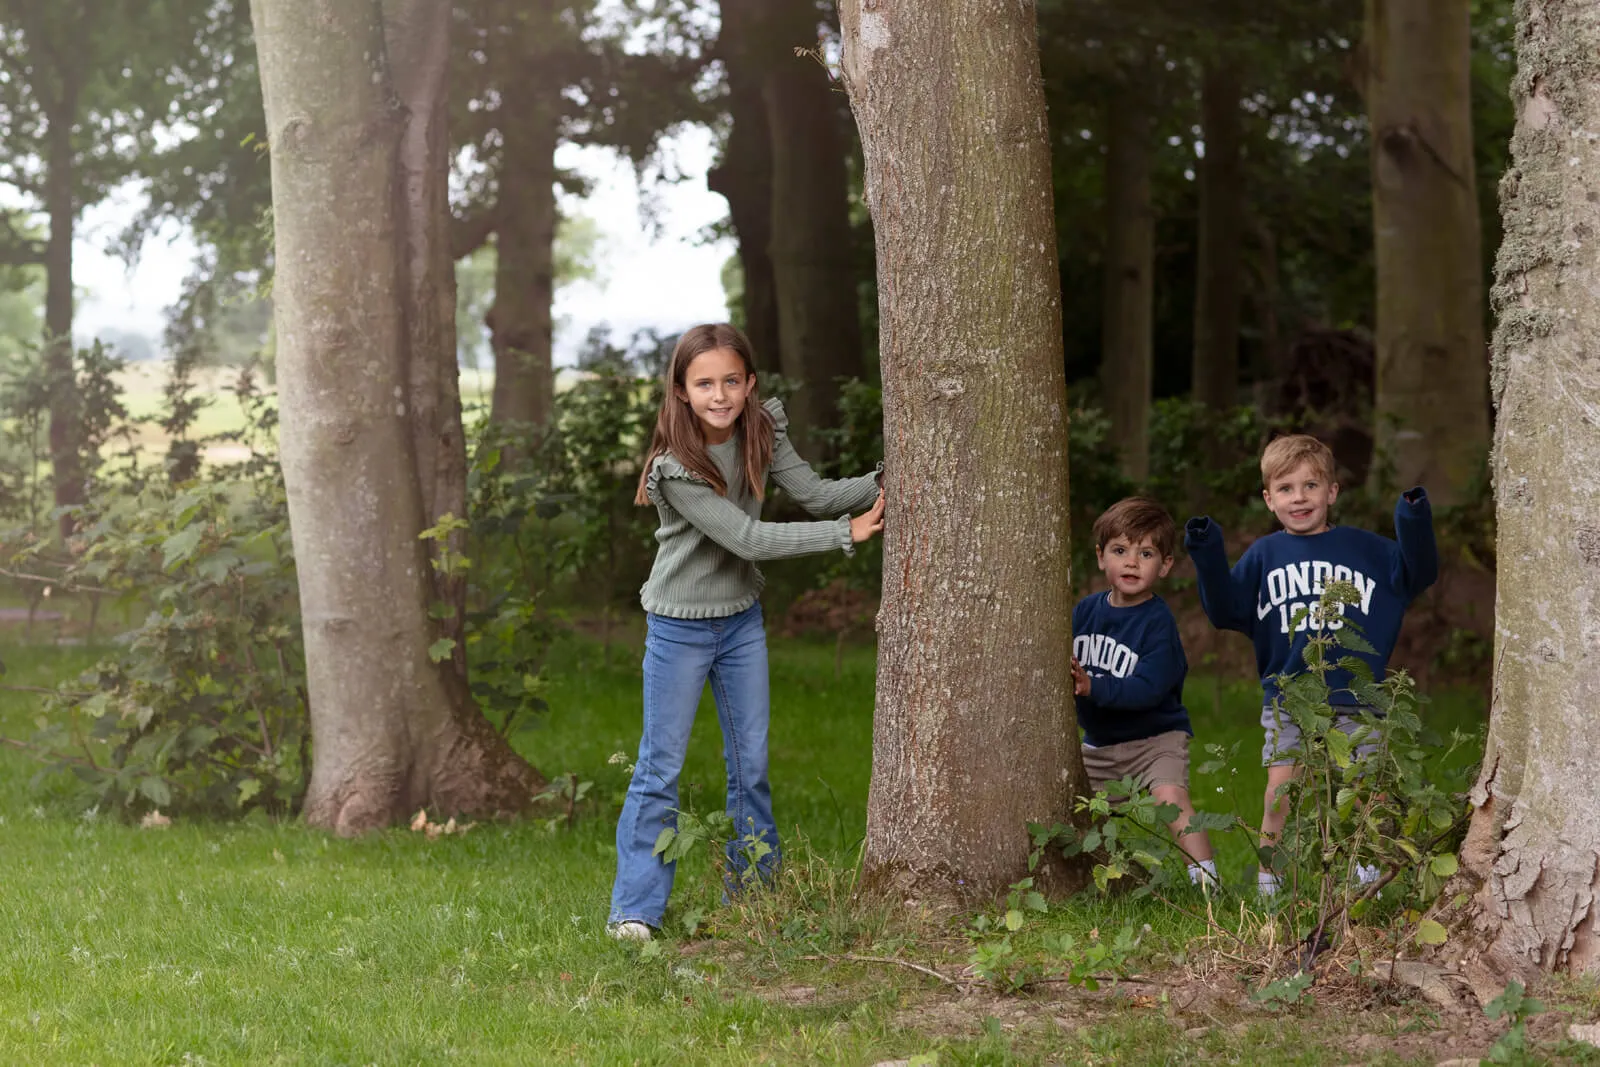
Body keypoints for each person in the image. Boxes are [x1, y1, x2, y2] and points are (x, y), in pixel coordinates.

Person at [607, 323, 885, 941]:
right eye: (704, 383)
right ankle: (634, 910)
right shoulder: (675, 468)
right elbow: (748, 538)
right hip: (677, 628)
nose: (720, 394)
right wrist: (848, 534)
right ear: (681, 391)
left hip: (740, 623)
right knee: (660, 765)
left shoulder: (762, 427)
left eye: (732, 380)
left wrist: (890, 479)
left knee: (750, 765)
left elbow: (813, 495)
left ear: (750, 383)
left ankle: (755, 896)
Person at [1184, 434, 1436, 897]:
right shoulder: (1264, 555)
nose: (1298, 498)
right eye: (1285, 488)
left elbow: (1417, 571)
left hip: (1359, 696)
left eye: (1310, 485)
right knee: (1281, 788)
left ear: (1332, 492)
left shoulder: (1367, 550)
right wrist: (1206, 549)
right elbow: (1225, 609)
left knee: (1366, 789)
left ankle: (1367, 879)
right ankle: (1270, 879)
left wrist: (1412, 515)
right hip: (1291, 695)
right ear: (1268, 499)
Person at [1072, 498, 1217, 888]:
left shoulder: (1158, 623)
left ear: (1165, 565)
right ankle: (1109, 880)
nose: (1132, 562)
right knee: (1074, 811)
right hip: (1099, 747)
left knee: (1171, 799)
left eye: (1146, 553)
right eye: (1120, 551)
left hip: (1155, 740)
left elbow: (1147, 690)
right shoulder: (1084, 612)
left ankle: (1206, 883)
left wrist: (1092, 686)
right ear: (1101, 557)